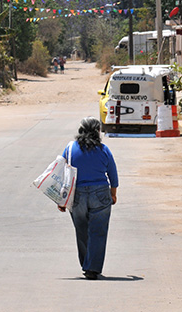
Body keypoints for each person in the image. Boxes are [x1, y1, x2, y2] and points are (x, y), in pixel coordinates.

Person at [58, 117, 118, 280]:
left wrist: (61, 200)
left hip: (77, 194)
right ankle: (92, 267)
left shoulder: (70, 149)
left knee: (82, 230)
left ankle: (86, 264)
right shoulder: (104, 149)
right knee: (98, 231)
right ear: (97, 132)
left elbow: (62, 174)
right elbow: (112, 174)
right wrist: (113, 193)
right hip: (100, 193)